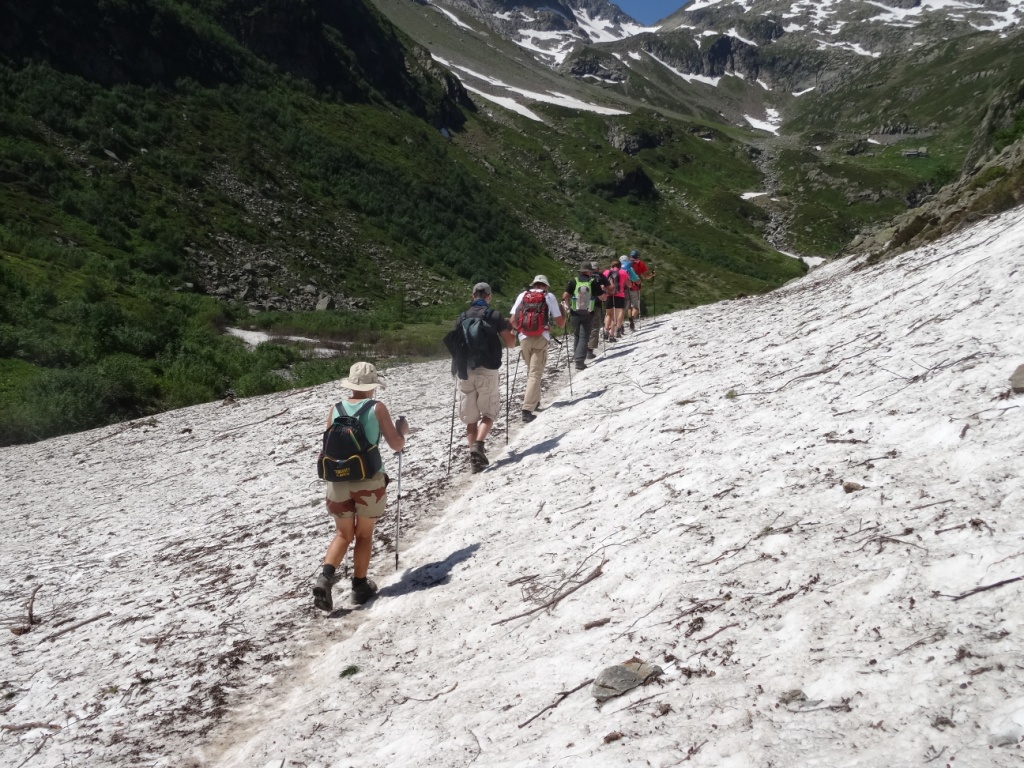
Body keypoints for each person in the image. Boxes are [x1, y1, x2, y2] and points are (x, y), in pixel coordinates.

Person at [313, 362, 409, 611]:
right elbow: (396, 445)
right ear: (372, 386)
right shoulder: (377, 408)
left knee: (343, 534)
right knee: (364, 534)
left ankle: (325, 578)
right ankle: (359, 586)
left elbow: (327, 446)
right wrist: (403, 431)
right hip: (368, 480)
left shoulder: (335, 409)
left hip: (337, 480)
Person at [454, 282, 516, 473]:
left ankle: (474, 462)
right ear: (488, 296)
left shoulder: (461, 317)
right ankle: (478, 446)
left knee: (471, 418)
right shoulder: (495, 315)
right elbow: (511, 344)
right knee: (489, 413)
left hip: (465, 371)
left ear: (473, 296)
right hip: (488, 370)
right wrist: (511, 329)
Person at [509, 275, 565, 422]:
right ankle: (527, 409)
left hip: (524, 338)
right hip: (541, 338)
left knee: (531, 371)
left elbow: (512, 320)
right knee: (535, 373)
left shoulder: (522, 295)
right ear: (545, 286)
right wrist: (564, 311)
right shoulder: (549, 296)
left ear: (533, 284)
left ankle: (535, 400)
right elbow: (560, 323)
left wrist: (522, 329)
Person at [562, 263, 604, 370]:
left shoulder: (574, 281)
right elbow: (603, 297)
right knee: (584, 336)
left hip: (574, 312)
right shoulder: (592, 282)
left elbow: (565, 296)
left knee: (577, 334)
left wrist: (567, 308)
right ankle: (579, 361)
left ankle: (577, 356)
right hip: (588, 312)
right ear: (588, 271)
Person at [586, 260, 610, 357]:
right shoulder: (600, 276)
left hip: (582, 305)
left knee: (584, 326)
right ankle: (590, 350)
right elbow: (608, 286)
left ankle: (580, 349)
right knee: (595, 327)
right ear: (597, 268)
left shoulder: (583, 277)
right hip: (596, 303)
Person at [603, 259, 630, 341]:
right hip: (620, 295)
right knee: (618, 313)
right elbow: (629, 285)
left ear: (611, 266)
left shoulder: (606, 272)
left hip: (608, 295)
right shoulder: (623, 272)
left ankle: (606, 330)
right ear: (620, 266)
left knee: (608, 314)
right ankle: (615, 331)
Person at [625, 249, 649, 330]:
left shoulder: (626, 264)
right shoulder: (640, 263)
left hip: (626, 287)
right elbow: (646, 276)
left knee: (629, 307)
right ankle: (632, 318)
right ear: (638, 256)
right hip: (636, 286)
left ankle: (630, 319)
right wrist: (652, 275)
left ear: (630, 256)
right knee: (636, 307)